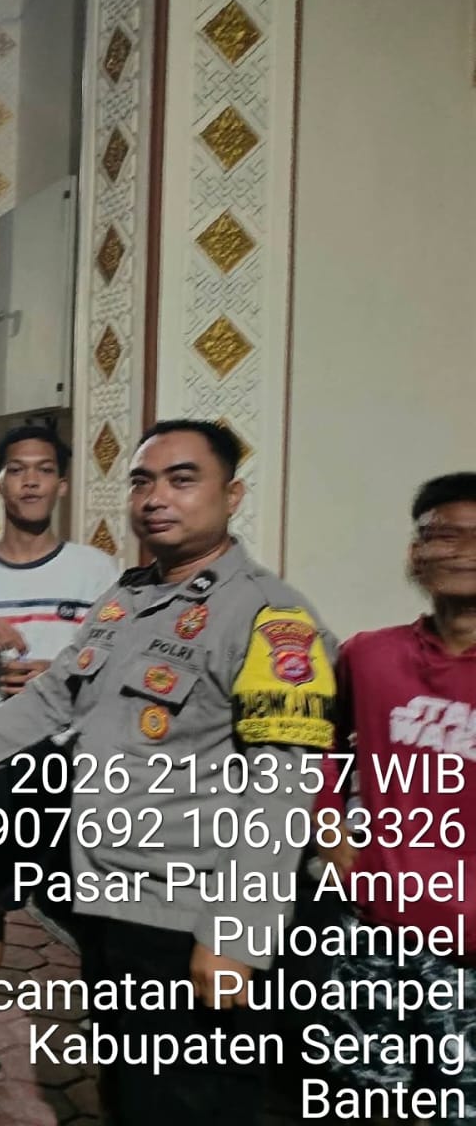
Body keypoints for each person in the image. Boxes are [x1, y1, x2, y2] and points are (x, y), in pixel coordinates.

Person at [0, 419, 339, 1126]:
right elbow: (51, 698)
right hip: (109, 901)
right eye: (142, 482)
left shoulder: (270, 618)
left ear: (231, 495)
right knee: (129, 1089)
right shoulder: (128, 600)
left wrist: (236, 936)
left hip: (189, 915)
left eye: (182, 480)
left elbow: (281, 791)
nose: (156, 498)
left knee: (190, 1103)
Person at [0, 424, 119, 1076]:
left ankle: (110, 1035)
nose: (29, 481)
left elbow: (116, 665)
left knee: (92, 905)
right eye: (16, 470)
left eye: (43, 470)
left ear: (62, 483)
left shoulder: (95, 570)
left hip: (73, 759)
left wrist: (61, 675)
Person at [308, 472, 476, 1120]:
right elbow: (318, 743)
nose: (461, 550)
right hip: (372, 935)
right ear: (415, 552)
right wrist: (329, 829)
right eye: (442, 534)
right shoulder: (368, 655)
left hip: (470, 955)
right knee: (363, 1099)